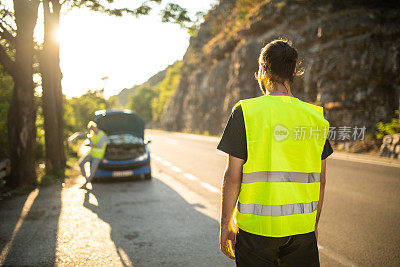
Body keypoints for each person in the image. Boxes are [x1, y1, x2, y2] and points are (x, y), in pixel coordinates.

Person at [217, 39, 333, 266]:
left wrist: (225, 226)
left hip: (256, 233)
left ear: (262, 69)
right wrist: (313, 226)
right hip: (301, 230)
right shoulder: (316, 117)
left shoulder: (246, 112)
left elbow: (232, 177)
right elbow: (321, 180)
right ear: (294, 72)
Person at [78, 121, 107, 189]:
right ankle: (86, 179)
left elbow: (100, 145)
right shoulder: (93, 135)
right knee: (81, 164)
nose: (93, 130)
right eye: (91, 129)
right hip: (91, 153)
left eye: (93, 128)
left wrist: (92, 144)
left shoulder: (102, 134)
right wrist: (90, 140)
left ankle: (86, 184)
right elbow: (91, 144)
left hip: (98, 155)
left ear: (95, 127)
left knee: (92, 170)